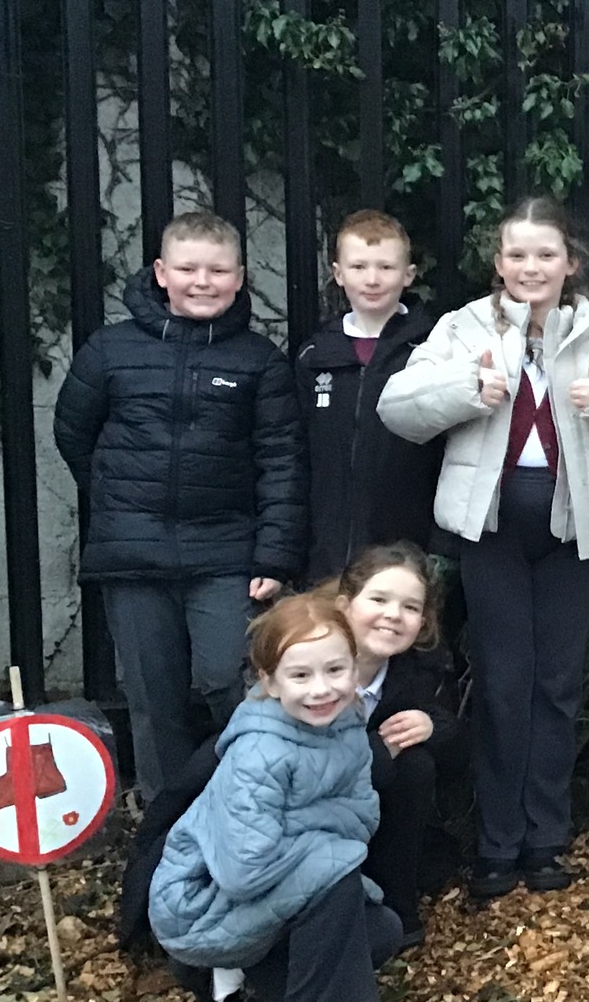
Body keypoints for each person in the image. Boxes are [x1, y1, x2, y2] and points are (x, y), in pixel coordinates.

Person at [378, 197, 589, 902]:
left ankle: (545, 840)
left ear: (569, 263)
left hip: (570, 536)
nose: (530, 267)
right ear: (498, 263)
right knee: (504, 685)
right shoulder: (463, 330)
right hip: (491, 538)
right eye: (516, 255)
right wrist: (464, 388)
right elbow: (399, 406)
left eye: (545, 254)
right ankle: (496, 845)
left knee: (556, 688)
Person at [53, 210, 305, 805]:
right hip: (133, 557)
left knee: (232, 682)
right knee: (153, 700)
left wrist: (274, 552)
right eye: (188, 268)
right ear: (161, 273)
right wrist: (121, 498)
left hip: (226, 554)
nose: (202, 281)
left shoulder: (258, 361)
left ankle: (242, 804)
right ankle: (165, 827)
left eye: (217, 270)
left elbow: (282, 462)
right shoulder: (109, 349)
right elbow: (73, 433)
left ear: (240, 277)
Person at [149, 593, 406, 1002]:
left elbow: (362, 818)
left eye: (336, 670)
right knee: (338, 873)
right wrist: (327, 838)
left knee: (380, 931)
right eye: (300, 676)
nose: (321, 690)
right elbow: (246, 868)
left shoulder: (347, 729)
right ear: (269, 682)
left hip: (262, 891)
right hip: (201, 902)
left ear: (355, 668)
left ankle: (234, 979)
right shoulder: (260, 752)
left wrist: (319, 836)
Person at [296, 210, 446, 583]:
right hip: (325, 550)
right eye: (359, 266)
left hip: (406, 548)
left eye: (386, 267)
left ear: (408, 275)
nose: (372, 279)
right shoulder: (314, 355)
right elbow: (294, 454)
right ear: (338, 273)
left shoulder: (435, 347)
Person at [334, 542, 463, 945]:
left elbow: (461, 746)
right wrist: (374, 754)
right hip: (294, 819)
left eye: (410, 607)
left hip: (369, 819)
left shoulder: (418, 667)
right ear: (344, 606)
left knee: (415, 764)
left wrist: (432, 724)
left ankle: (398, 903)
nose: (393, 615)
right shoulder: (309, 662)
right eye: (378, 599)